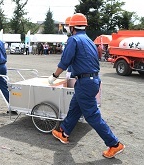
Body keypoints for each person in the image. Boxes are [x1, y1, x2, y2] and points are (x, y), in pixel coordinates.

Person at [48, 13, 125, 159]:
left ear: (72, 27)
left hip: (85, 82)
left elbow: (65, 61)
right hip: (91, 80)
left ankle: (114, 144)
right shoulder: (89, 40)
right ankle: (64, 132)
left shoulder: (74, 39)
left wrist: (54, 76)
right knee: (75, 108)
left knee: (92, 115)